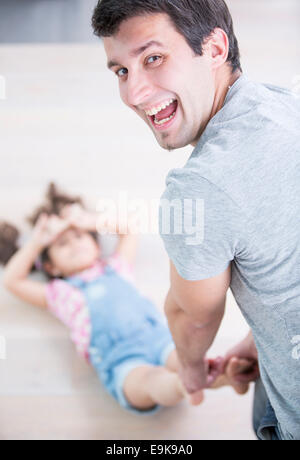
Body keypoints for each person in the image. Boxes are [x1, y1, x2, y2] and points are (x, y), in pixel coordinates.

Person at [92, 0, 300, 439]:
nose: (133, 94)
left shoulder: (200, 189)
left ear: (215, 48)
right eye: (121, 71)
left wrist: (189, 367)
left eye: (153, 58)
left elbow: (193, 316)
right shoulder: (285, 106)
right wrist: (265, 336)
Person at [1, 183, 251, 415]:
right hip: (120, 360)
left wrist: (87, 220)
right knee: (148, 381)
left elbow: (130, 228)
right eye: (63, 244)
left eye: (80, 236)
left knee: (189, 360)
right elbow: (12, 282)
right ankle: (180, 385)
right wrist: (38, 240)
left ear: (97, 245)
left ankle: (226, 376)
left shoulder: (117, 266)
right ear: (51, 267)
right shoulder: (58, 293)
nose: (74, 244)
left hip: (159, 339)